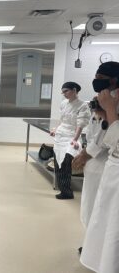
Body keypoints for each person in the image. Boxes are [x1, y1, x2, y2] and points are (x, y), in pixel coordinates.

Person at [73, 62, 119, 228]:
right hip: (94, 162)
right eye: (95, 76)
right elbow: (96, 127)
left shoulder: (113, 101)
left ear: (113, 80)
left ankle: (91, 244)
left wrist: (86, 153)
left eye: (100, 78)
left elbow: (107, 133)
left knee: (97, 206)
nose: (96, 80)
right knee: (89, 203)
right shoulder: (101, 99)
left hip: (104, 163)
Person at [80, 79, 119, 273]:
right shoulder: (102, 104)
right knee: (96, 213)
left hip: (106, 165)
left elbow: (111, 139)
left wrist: (110, 112)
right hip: (105, 168)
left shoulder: (112, 106)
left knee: (108, 225)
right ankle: (95, 248)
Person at [49, 82, 90, 200]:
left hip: (72, 136)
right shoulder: (64, 104)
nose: (64, 94)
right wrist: (56, 129)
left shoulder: (82, 106)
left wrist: (75, 139)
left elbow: (80, 124)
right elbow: (63, 120)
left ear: (74, 90)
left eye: (66, 91)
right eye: (63, 92)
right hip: (61, 135)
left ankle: (67, 191)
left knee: (67, 160)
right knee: (58, 161)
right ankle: (64, 190)